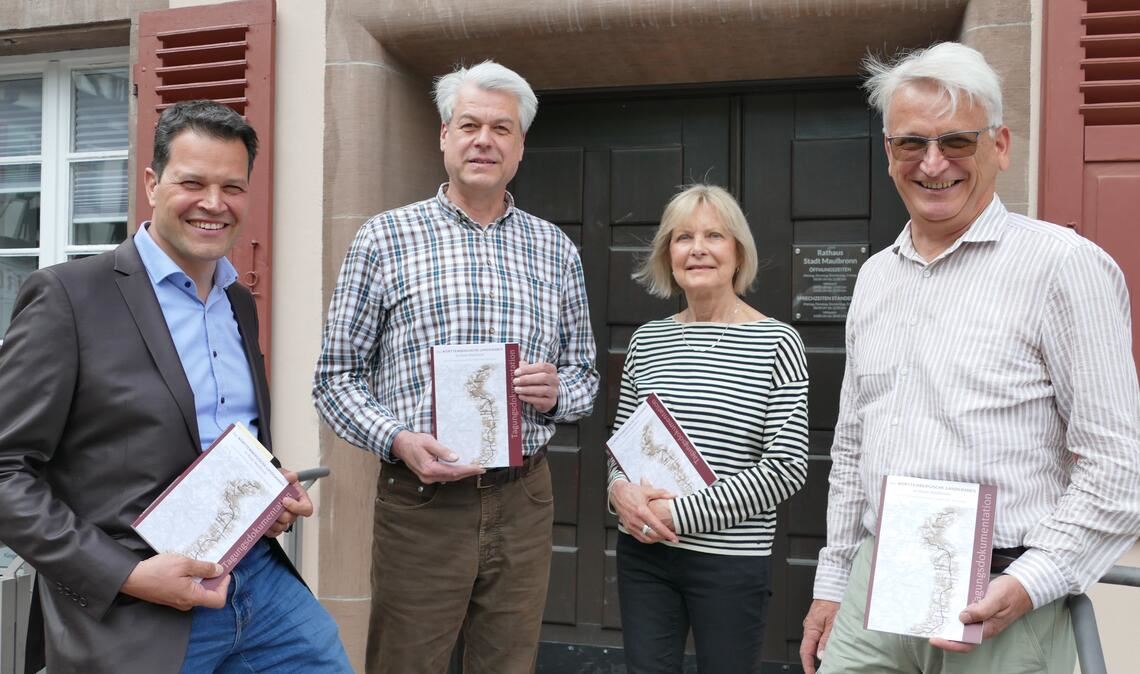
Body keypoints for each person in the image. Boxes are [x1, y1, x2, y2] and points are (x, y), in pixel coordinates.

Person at [799, 42, 1140, 674]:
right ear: (888, 153)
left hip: (1005, 590)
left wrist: (1034, 581)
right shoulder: (876, 278)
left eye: (957, 141)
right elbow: (851, 448)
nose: (933, 163)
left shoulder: (1063, 268)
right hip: (878, 587)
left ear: (1000, 146)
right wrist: (831, 583)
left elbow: (1118, 471)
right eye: (911, 143)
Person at [0, 100, 351, 674]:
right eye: (193, 182)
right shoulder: (67, 297)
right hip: (135, 608)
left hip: (260, 584)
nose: (214, 204)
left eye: (232, 187)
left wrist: (269, 490)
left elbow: (213, 435)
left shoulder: (238, 301)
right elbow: (5, 469)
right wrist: (127, 576)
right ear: (152, 184)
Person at [313, 60, 598, 674]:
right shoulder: (383, 239)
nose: (484, 139)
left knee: (507, 664)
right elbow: (334, 378)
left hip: (524, 498)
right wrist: (396, 440)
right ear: (444, 135)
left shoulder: (556, 249)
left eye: (502, 128)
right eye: (469, 124)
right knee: (406, 663)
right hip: (421, 502)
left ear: (520, 146)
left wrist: (555, 394)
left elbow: (586, 378)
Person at [607, 184, 809, 673]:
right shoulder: (647, 340)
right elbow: (621, 449)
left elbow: (786, 468)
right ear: (667, 255)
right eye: (683, 237)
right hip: (645, 556)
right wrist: (619, 494)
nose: (697, 248)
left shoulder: (775, 342)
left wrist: (680, 515)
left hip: (730, 564)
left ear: (737, 252)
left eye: (714, 235)